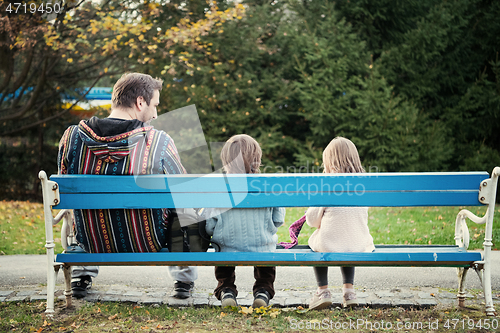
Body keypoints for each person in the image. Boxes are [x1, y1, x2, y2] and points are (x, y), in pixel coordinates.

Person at [57, 72, 197, 299]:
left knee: (80, 206)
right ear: (140, 102)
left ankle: (81, 275)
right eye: (155, 105)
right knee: (183, 206)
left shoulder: (71, 138)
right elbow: (183, 191)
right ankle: (183, 279)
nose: (156, 114)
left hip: (92, 240)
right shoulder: (159, 142)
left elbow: (64, 183)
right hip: (146, 239)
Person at [205, 134, 285, 308]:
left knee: (222, 252)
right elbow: (278, 219)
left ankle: (226, 289)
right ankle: (263, 291)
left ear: (226, 159)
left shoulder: (217, 186)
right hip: (262, 244)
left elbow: (209, 225)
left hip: (227, 247)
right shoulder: (268, 185)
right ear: (257, 159)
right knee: (266, 253)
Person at [306, 137, 375, 310]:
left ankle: (323, 291)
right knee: (347, 239)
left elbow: (311, 220)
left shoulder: (327, 185)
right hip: (358, 244)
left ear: (330, 163)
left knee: (316, 244)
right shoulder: (364, 185)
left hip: (330, 243)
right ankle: (349, 292)